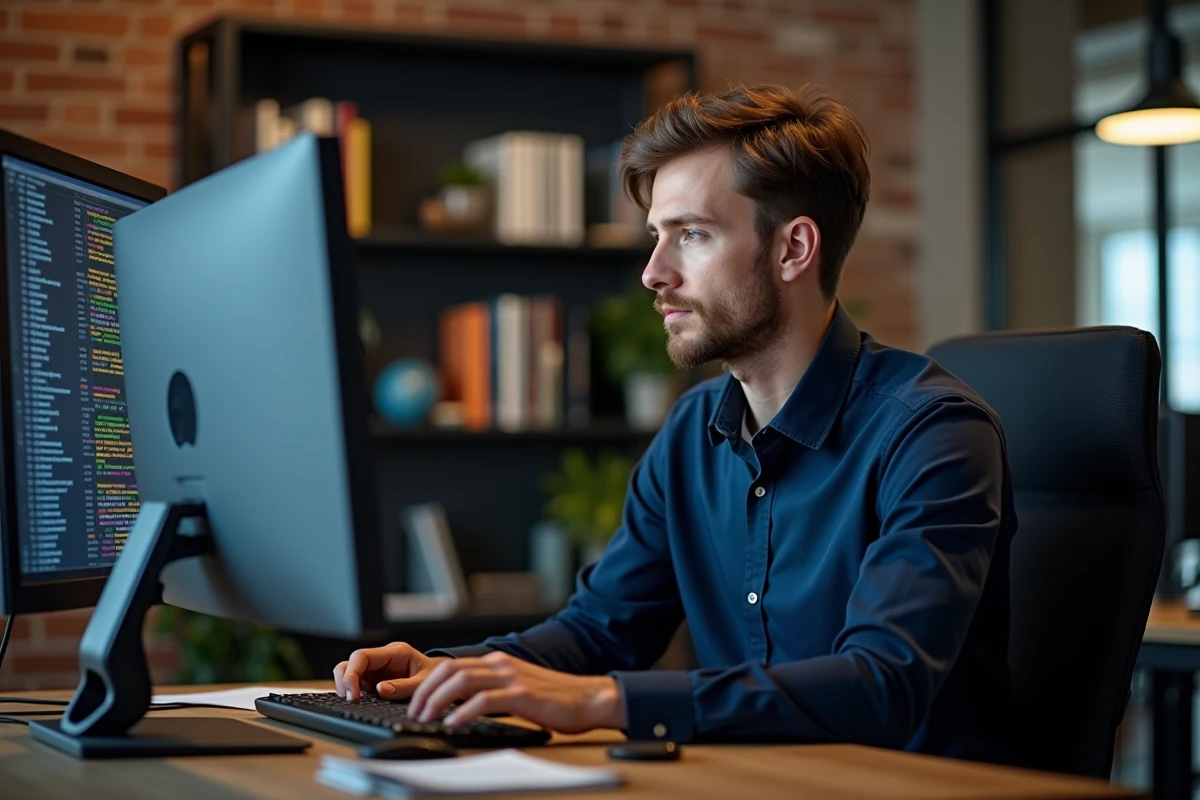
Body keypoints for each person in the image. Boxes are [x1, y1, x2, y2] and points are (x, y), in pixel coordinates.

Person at [335, 84, 1016, 763]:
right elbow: (600, 631)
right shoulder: (693, 431)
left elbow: (881, 685)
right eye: (656, 237)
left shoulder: (933, 434)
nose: (653, 273)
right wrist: (447, 671)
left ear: (793, 248)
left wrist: (605, 702)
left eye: (691, 235)